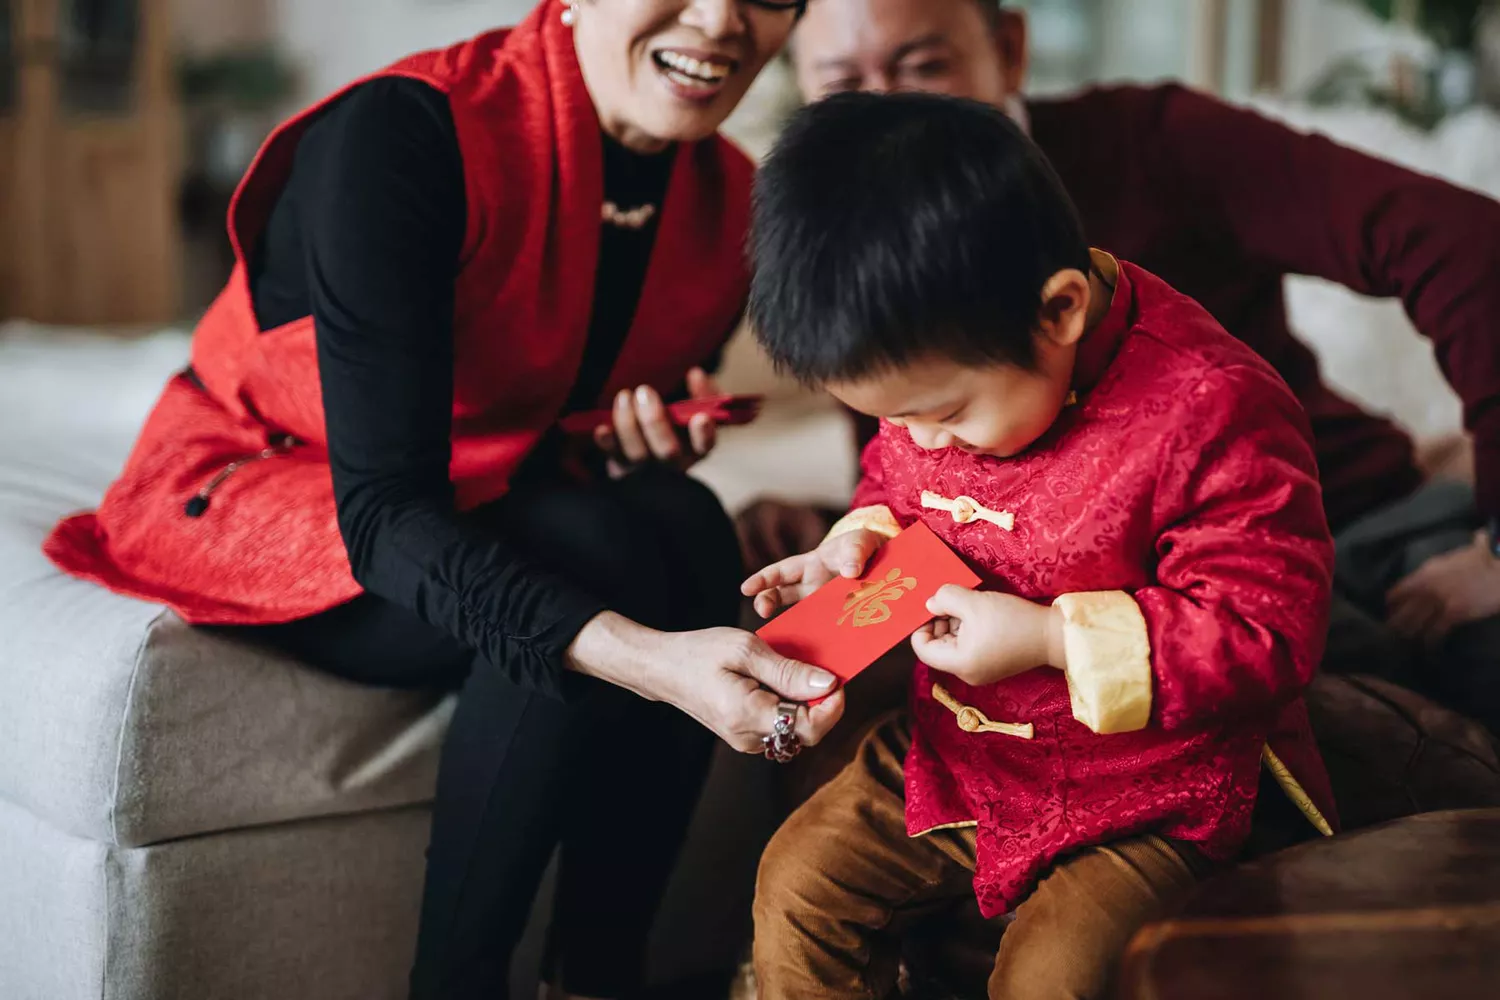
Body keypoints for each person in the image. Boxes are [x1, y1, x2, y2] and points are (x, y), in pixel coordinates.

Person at [43, 2, 844, 998]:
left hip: (498, 481)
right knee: (587, 555)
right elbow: (386, 517)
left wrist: (625, 448)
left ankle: (597, 976)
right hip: (281, 479)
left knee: (682, 523)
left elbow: (553, 403)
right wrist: (651, 660)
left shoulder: (728, 200)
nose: (723, 19)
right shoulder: (406, 133)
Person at [738, 0, 1500, 732]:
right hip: (1122, 613)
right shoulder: (832, 241)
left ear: (1008, 49)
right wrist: (843, 529)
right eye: (841, 83)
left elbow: (1467, 243)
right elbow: (932, 477)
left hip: (1351, 520)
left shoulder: (1158, 143)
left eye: (924, 64)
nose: (886, 115)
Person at [742, 91, 1338, 1000]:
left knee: (1054, 976)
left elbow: (1267, 628)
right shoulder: (942, 374)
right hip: (959, 755)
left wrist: (1053, 641)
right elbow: (895, 485)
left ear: (1059, 311)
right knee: (796, 890)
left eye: (942, 414)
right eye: (893, 418)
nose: (923, 442)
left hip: (1151, 792)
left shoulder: (1211, 408)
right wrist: (849, 550)